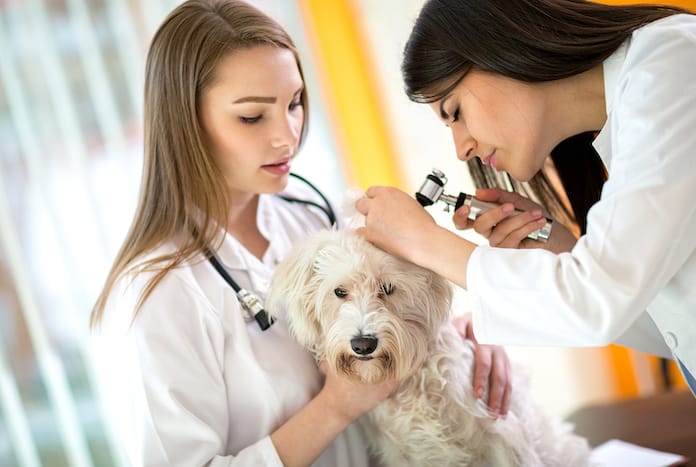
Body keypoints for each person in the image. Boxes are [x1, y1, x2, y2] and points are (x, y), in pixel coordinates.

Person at [90, 1, 511, 465]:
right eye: (253, 116)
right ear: (185, 123)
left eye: (294, 103)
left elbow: (379, 329)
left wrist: (459, 339)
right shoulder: (158, 295)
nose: (287, 136)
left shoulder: (317, 218)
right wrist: (336, 406)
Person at [356, 0, 696, 402]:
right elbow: (680, 331)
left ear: (498, 48)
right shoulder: (636, 109)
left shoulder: (673, 65)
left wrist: (424, 242)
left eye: (455, 112)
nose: (461, 148)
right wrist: (562, 253)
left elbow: (598, 303)